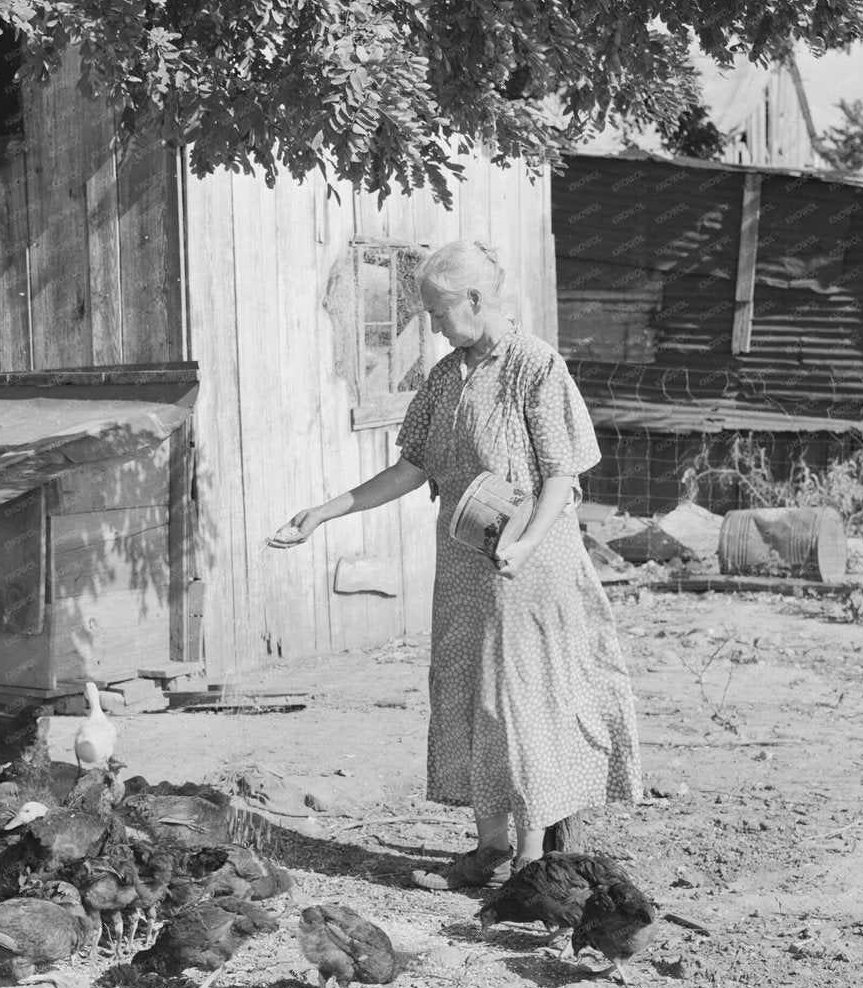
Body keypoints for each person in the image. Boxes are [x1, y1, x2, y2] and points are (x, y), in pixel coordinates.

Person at [272, 239, 641, 889]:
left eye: (441, 310)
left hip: (530, 565)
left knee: (522, 703)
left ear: (474, 299)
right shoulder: (448, 375)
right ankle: (489, 847)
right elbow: (412, 466)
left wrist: (523, 545)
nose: (436, 324)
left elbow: (561, 477)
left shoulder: (536, 366)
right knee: (470, 694)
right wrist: (324, 512)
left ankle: (533, 862)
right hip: (466, 568)